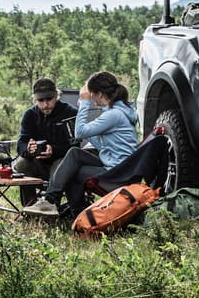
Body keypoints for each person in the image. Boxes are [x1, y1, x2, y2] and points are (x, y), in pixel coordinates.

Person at [23, 70, 138, 221]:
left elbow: (80, 132)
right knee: (75, 154)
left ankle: (71, 212)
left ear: (100, 94)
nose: (90, 97)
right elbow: (100, 142)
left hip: (117, 173)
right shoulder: (119, 111)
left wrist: (84, 103)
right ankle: (58, 206)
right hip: (117, 166)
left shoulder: (114, 115)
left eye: (91, 94)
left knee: (72, 171)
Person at [13, 77, 78, 204]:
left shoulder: (70, 113)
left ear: (56, 96)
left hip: (61, 160)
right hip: (37, 162)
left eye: (49, 99)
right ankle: (29, 206)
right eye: (40, 100)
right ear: (35, 99)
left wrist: (54, 150)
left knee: (60, 166)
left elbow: (75, 147)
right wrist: (29, 149)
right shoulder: (30, 115)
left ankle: (51, 206)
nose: (45, 104)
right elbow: (21, 143)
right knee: (22, 164)